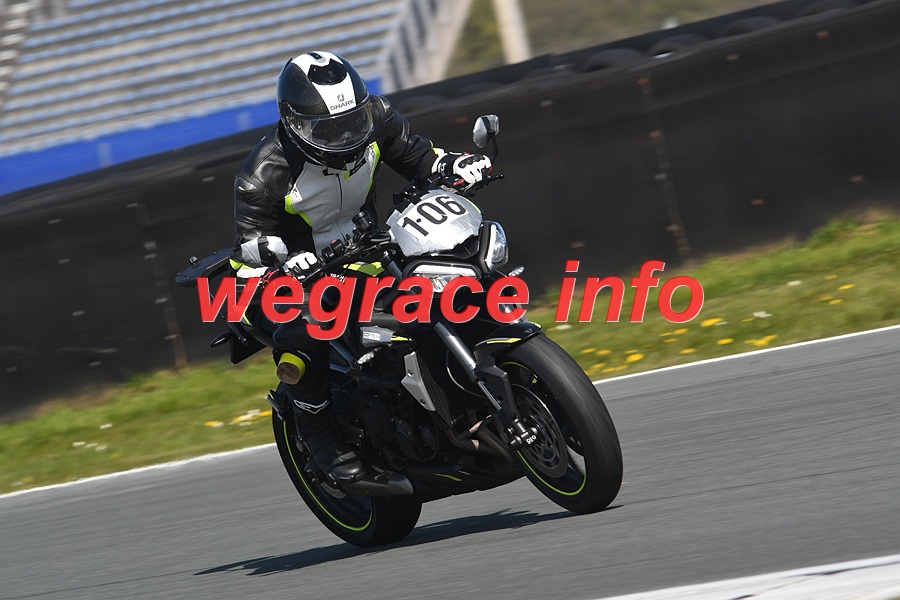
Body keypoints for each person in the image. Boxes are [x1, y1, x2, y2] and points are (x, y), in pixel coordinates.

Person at [230, 51, 492, 484]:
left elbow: (419, 157)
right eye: (328, 129)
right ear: (293, 123)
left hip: (367, 247)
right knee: (308, 324)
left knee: (447, 271)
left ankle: (463, 386)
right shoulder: (261, 176)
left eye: (352, 122)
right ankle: (320, 435)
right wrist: (282, 263)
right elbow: (248, 253)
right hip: (294, 276)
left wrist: (452, 165)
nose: (346, 135)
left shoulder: (376, 117)